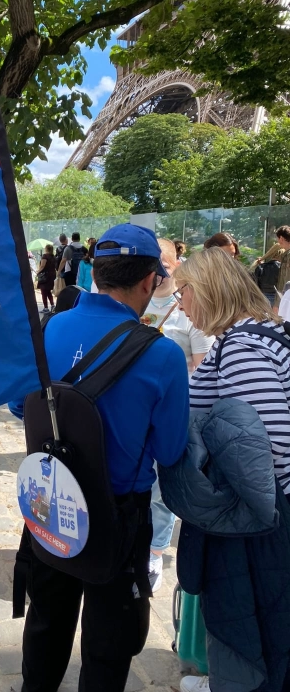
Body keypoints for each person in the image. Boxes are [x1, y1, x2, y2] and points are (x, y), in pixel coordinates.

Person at [10, 223, 189, 692]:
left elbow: (17, 405)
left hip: (51, 501)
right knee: (108, 645)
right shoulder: (163, 355)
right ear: (150, 280)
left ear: (96, 270)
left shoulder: (47, 328)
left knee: (46, 620)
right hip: (119, 519)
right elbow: (171, 451)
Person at [167, 247, 290, 692]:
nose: (180, 304)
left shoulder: (242, 348)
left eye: (183, 293)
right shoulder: (258, 333)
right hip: (270, 515)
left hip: (265, 522)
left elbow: (267, 450)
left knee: (259, 627)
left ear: (207, 290)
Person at [140, 238, 214, 591]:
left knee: (160, 489)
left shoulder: (189, 309)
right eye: (151, 265)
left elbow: (203, 371)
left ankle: (155, 554)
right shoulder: (134, 299)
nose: (157, 272)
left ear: (177, 262)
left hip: (173, 414)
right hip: (136, 410)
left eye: (163, 264)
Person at [36, 244, 57, 313]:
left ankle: (46, 307)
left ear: (46, 249)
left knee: (43, 291)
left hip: (45, 276)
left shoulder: (45, 256)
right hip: (52, 275)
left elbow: (42, 266)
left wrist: (37, 272)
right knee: (48, 291)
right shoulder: (53, 257)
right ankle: (52, 305)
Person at [276, 225, 290, 293]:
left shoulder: (288, 256)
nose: (277, 242)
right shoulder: (286, 255)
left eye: (277, 239)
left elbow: (286, 280)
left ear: (281, 238)